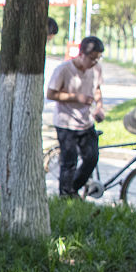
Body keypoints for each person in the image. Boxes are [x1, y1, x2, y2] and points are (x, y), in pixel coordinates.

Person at [46, 35, 105, 197]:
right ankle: (65, 196)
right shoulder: (64, 70)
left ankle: (74, 188)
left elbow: (97, 89)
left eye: (98, 59)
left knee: (92, 158)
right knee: (69, 163)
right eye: (92, 58)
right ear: (82, 54)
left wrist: (99, 107)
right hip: (66, 123)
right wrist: (76, 97)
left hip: (86, 122)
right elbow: (50, 94)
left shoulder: (97, 69)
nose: (94, 62)